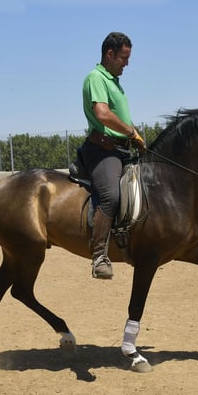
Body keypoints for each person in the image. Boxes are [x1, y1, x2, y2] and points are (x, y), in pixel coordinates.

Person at [79, 31, 146, 280]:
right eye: (123, 58)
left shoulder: (114, 82)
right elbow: (103, 114)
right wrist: (131, 131)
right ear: (110, 54)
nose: (127, 63)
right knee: (110, 196)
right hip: (102, 150)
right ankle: (99, 257)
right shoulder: (96, 77)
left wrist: (133, 138)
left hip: (120, 148)